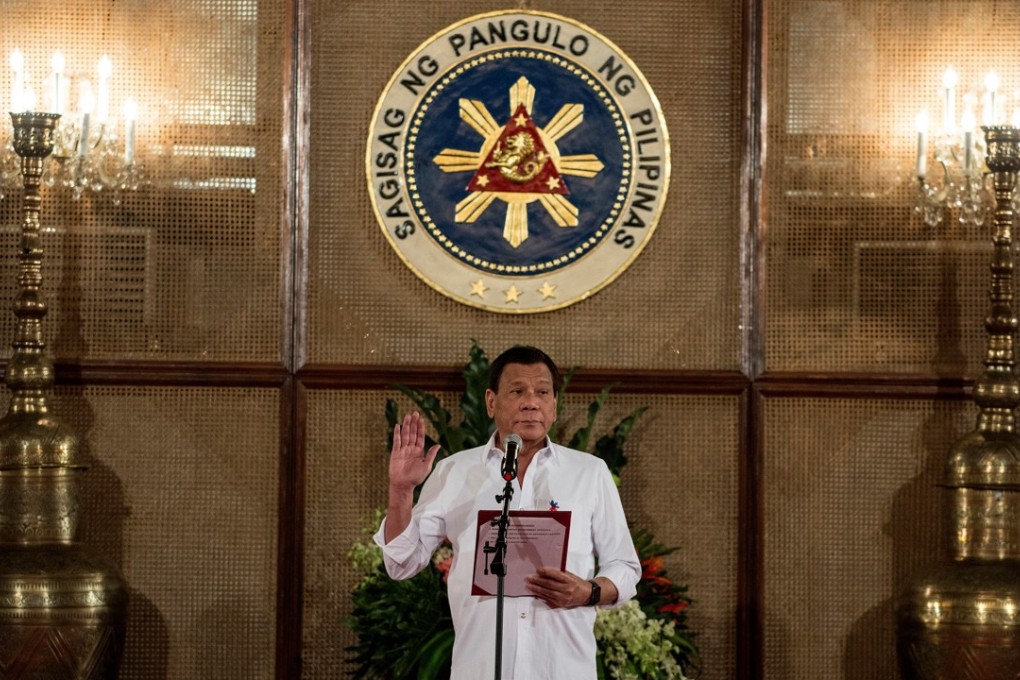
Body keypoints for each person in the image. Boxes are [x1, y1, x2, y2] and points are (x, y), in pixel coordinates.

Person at [374, 345, 641, 679]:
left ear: (554, 405)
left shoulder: (589, 472)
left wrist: (589, 592)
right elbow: (401, 562)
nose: (531, 401)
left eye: (542, 392)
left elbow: (626, 567)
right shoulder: (454, 472)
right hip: (480, 669)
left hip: (562, 669)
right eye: (517, 391)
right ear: (490, 401)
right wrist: (401, 491)